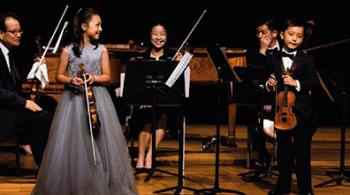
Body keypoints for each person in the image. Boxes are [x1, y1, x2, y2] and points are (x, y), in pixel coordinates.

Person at [32, 8, 137, 195]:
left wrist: (93, 78)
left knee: (98, 140)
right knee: (74, 141)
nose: (101, 29)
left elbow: (107, 77)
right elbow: (59, 76)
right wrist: (71, 80)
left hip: (98, 100)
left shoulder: (101, 50)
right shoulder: (68, 51)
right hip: (73, 101)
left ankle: (101, 182)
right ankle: (72, 183)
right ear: (83, 26)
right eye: (97, 25)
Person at [266, 18, 319, 195]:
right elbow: (263, 80)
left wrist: (296, 82)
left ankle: (306, 189)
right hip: (282, 113)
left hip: (302, 113)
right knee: (284, 153)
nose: (295, 39)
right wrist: (268, 83)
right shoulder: (272, 57)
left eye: (299, 36)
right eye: (291, 34)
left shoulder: (308, 59)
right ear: (282, 35)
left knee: (303, 153)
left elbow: (313, 82)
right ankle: (283, 187)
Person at [0, 12, 51, 167]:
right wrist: (24, 103)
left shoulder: (7, 53)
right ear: (1, 34)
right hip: (3, 112)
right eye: (13, 32)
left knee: (49, 105)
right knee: (40, 117)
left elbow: (13, 82)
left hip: (8, 108)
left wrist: (34, 66)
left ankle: (46, 162)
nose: (18, 35)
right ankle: (44, 168)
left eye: (20, 31)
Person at [132, 23, 182, 173]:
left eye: (162, 34)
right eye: (155, 33)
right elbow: (136, 84)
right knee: (147, 118)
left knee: (162, 116)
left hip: (166, 101)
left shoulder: (172, 57)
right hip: (145, 100)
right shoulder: (141, 57)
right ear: (149, 36)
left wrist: (179, 65)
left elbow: (178, 85)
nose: (158, 37)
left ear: (167, 37)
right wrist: (143, 100)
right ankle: (141, 157)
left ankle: (149, 156)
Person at [245, 18, 280, 171]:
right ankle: (263, 154)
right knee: (252, 113)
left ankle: (290, 154)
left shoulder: (286, 49)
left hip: (285, 98)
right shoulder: (254, 52)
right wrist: (262, 51)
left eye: (264, 33)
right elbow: (255, 76)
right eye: (258, 33)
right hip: (266, 98)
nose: (260, 36)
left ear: (275, 33)